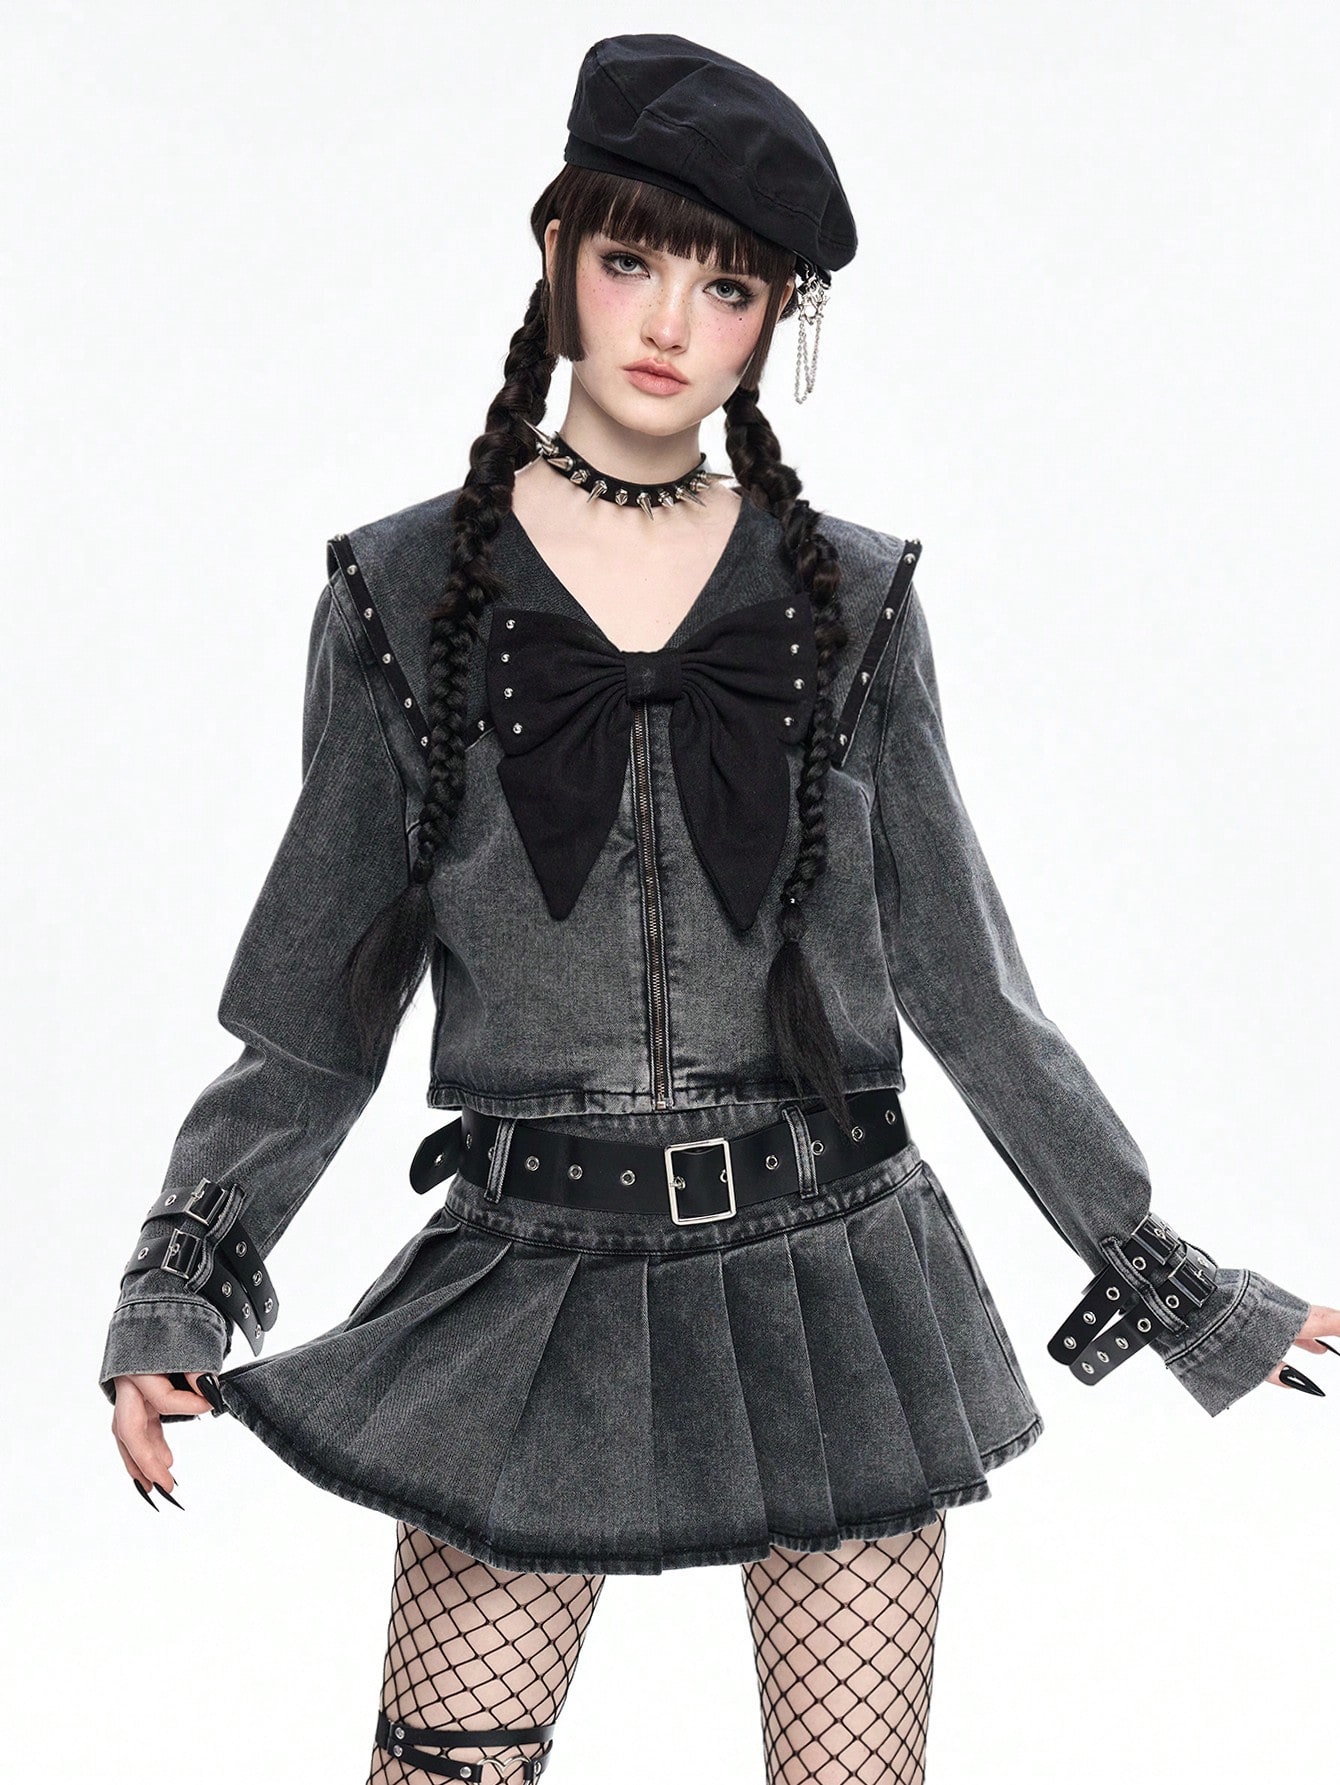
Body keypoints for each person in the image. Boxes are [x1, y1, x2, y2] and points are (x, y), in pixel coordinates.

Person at [100, 32, 1336, 1785]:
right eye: (632, 261)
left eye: (730, 287)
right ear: (557, 256)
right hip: (533, 1278)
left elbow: (972, 991)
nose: (671, 323)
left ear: (777, 323)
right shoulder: (399, 597)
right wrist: (180, 1285)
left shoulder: (854, 601)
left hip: (838, 1275)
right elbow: (311, 1014)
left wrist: (1177, 1282)